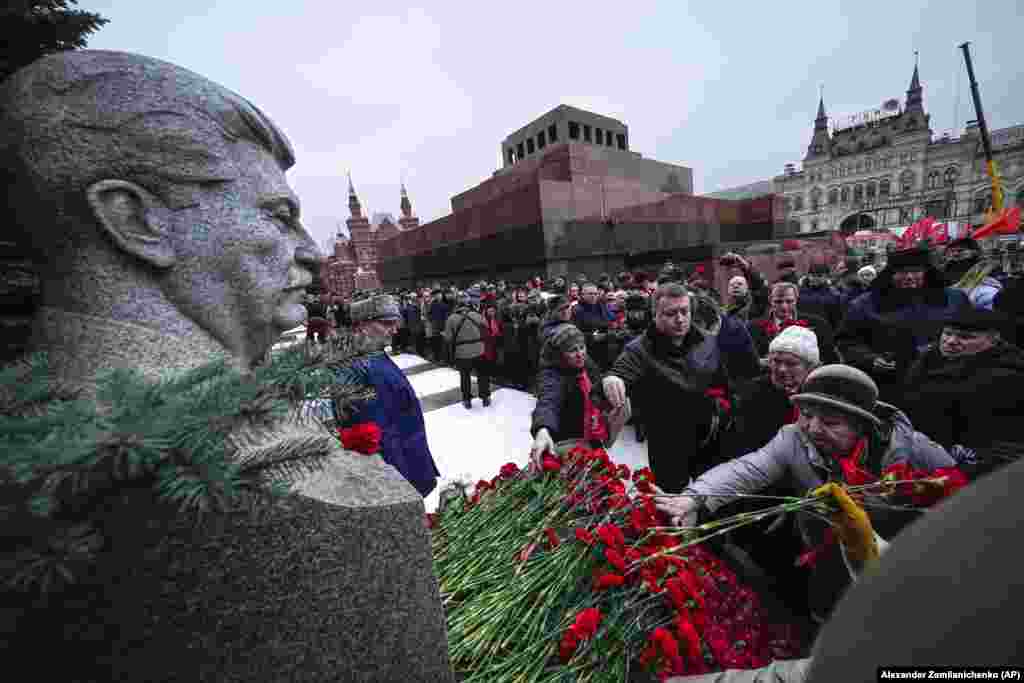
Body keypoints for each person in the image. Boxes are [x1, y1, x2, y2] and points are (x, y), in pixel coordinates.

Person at [0, 49, 450, 682]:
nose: (312, 253)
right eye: (277, 215)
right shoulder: (219, 469)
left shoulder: (41, 415)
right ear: (135, 220)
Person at [655, 364, 956, 623]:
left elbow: (957, 501)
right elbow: (748, 468)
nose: (812, 428)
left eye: (830, 422)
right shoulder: (793, 438)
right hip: (825, 553)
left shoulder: (913, 452)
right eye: (807, 415)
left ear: (862, 426)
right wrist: (694, 497)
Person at [596, 282, 732, 492]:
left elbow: (726, 382)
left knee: (710, 499)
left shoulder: (708, 341)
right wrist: (610, 380)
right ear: (655, 315)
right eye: (671, 313)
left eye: (684, 311)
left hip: (709, 436)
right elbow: (618, 374)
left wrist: (723, 406)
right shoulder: (639, 350)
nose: (680, 319)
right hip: (667, 443)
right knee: (669, 503)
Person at [331, 294, 441, 497]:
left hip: (407, 453)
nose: (395, 329)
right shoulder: (353, 365)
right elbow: (371, 432)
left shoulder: (374, 353)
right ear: (362, 325)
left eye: (395, 322)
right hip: (395, 467)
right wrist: (398, 480)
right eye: (387, 323)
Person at [900, 305, 1024, 480]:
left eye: (965, 337)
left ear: (992, 341)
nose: (951, 341)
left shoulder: (1007, 376)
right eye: (948, 333)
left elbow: (1003, 439)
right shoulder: (926, 361)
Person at [836, 245, 968, 400]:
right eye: (902, 272)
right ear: (890, 274)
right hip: (889, 385)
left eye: (916, 271)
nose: (910, 277)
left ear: (927, 272)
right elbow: (846, 340)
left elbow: (971, 333)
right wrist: (870, 359)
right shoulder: (866, 303)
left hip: (945, 381)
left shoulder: (954, 299)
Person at [529, 324, 630, 463]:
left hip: (592, 434)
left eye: (582, 347)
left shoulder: (585, 363)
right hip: (569, 441)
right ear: (560, 354)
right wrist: (542, 429)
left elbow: (598, 383)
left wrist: (610, 382)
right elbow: (548, 402)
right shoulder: (551, 374)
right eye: (572, 350)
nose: (580, 354)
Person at [748, 282, 839, 367]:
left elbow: (829, 359)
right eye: (778, 302)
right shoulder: (753, 327)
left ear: (796, 300)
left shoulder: (818, 325)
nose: (784, 307)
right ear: (770, 301)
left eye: (789, 301)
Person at [443, 292, 491, 409]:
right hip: (480, 350)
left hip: (462, 353)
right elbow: (486, 328)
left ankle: (467, 400)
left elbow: (448, 338)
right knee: (483, 375)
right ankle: (485, 397)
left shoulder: (451, 319)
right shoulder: (477, 315)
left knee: (465, 377)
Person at [942, 236, 1003, 309]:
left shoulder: (986, 291)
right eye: (952, 251)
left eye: (960, 251)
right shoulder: (947, 274)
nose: (955, 254)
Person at [572, 282, 615, 370]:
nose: (594, 296)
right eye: (590, 294)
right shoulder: (576, 310)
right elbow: (574, 333)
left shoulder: (601, 306)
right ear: (582, 295)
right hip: (588, 351)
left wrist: (609, 331)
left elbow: (610, 321)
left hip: (605, 349)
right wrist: (592, 337)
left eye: (595, 294)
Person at [798, 263, 843, 329]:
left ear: (826, 277)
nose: (815, 278)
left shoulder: (834, 295)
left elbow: (836, 319)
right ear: (808, 276)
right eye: (812, 275)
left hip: (825, 330)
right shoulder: (800, 293)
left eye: (819, 276)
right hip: (804, 330)